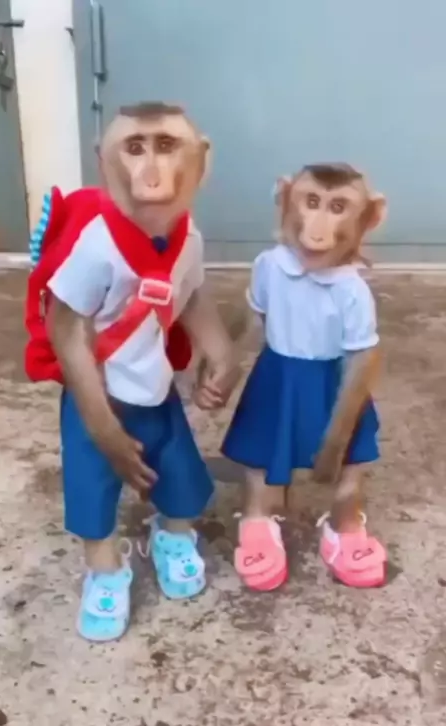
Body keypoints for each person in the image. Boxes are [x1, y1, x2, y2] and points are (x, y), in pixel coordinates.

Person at [24, 102, 238, 641]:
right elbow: (66, 330)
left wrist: (221, 351)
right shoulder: (96, 244)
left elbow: (190, 293)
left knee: (180, 476)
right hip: (97, 394)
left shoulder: (188, 238)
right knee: (92, 489)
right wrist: (102, 427)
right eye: (134, 148)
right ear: (105, 163)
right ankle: (104, 570)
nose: (151, 169)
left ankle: (173, 535)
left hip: (156, 390)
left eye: (166, 146)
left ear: (202, 160)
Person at [222, 163, 388, 591]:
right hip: (278, 375)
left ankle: (345, 525)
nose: (317, 229)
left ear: (370, 218)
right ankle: (259, 518)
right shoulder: (269, 265)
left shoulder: (352, 290)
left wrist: (336, 438)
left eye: (337, 208)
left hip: (335, 381)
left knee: (350, 464)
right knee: (262, 453)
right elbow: (254, 318)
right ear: (285, 201)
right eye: (311, 202)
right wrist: (223, 364)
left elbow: (363, 359)